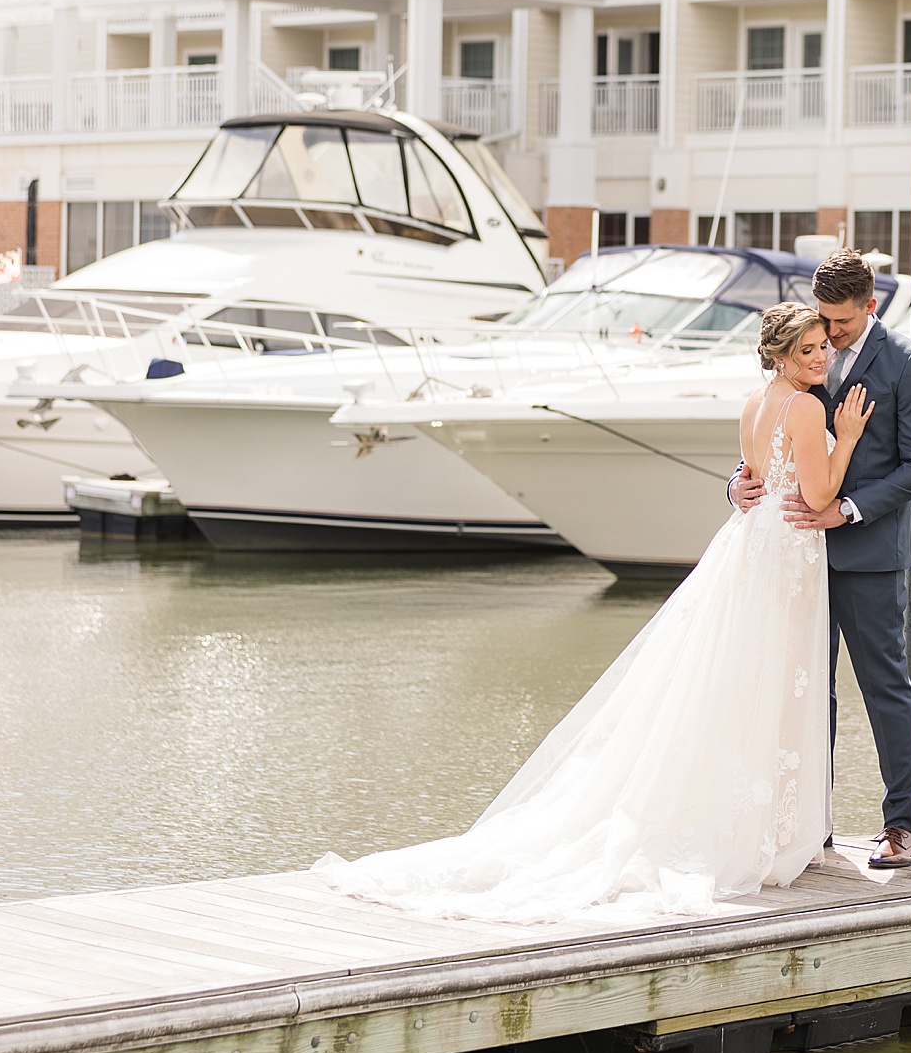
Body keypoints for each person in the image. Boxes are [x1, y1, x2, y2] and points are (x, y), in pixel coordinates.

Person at [312, 303, 875, 923]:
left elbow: (754, 476)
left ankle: (756, 822)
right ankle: (764, 832)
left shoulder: (754, 402)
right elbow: (818, 494)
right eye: (808, 351)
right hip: (786, 551)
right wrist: (846, 437)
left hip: (753, 545)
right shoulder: (809, 407)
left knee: (739, 682)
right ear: (780, 355)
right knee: (769, 682)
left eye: (824, 346)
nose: (822, 357)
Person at [729, 248, 911, 867]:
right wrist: (739, 483)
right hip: (796, 557)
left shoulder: (908, 363)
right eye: (820, 322)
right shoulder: (802, 357)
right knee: (803, 693)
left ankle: (902, 825)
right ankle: (808, 826)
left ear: (869, 307)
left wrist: (844, 511)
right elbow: (771, 448)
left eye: (839, 325)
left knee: (885, 688)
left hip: (867, 553)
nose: (828, 337)